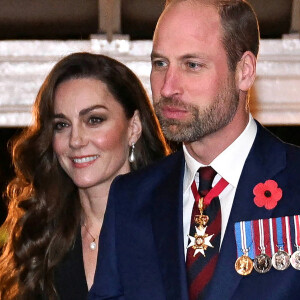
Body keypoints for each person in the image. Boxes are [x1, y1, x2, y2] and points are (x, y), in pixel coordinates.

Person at [89, 1, 300, 300]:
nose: (167, 88)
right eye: (160, 64)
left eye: (192, 65)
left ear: (244, 71)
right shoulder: (130, 200)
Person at [0, 52, 170, 300]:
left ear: (133, 127)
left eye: (94, 120)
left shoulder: (175, 223)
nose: (76, 140)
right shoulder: (42, 235)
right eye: (61, 125)